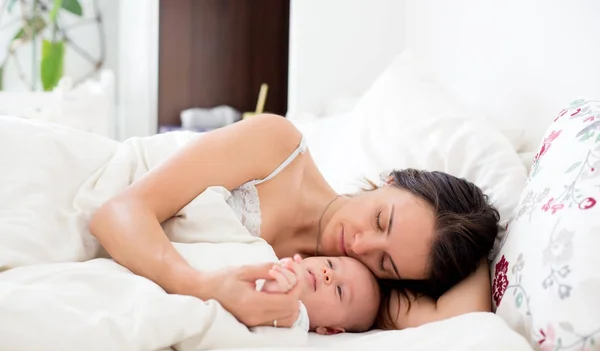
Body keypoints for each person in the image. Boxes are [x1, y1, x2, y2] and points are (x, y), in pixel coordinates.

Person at [89, 114, 499, 331]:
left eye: (386, 262)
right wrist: (201, 288)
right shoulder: (278, 147)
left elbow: (462, 322)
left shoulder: (346, 291)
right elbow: (116, 213)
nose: (359, 246)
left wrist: (469, 249)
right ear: (389, 179)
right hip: (84, 186)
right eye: (380, 220)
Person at [260, 255, 381, 335]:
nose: (328, 273)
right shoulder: (272, 254)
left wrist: (270, 293)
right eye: (330, 264)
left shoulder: (295, 318)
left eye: (339, 290)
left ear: (330, 330)